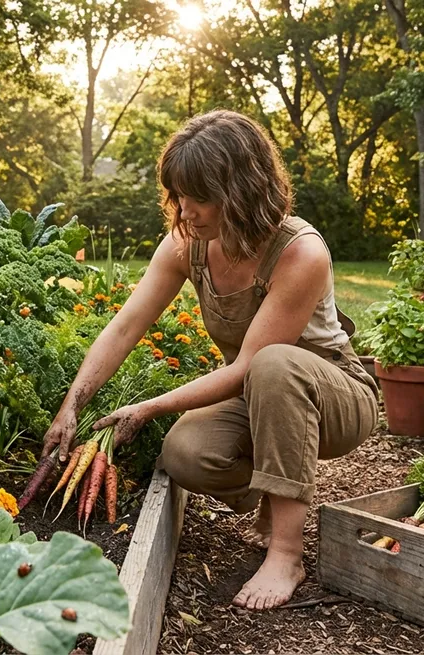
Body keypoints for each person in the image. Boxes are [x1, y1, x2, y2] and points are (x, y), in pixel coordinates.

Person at [40, 110, 379, 610]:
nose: (186, 210)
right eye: (178, 195)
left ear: (241, 190)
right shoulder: (188, 244)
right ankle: (275, 490)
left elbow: (248, 366)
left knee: (275, 365)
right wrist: (71, 405)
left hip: (336, 397)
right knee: (185, 455)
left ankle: (287, 552)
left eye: (199, 196)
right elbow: (125, 327)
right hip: (257, 394)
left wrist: (146, 408)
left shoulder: (299, 253)